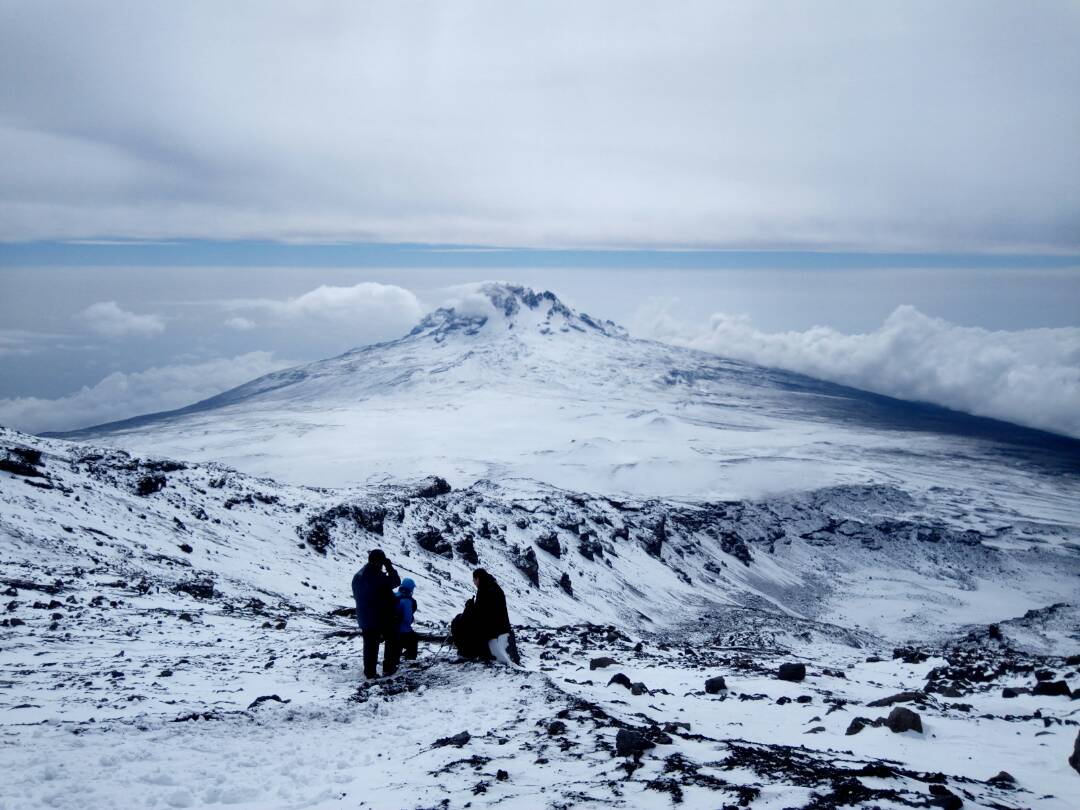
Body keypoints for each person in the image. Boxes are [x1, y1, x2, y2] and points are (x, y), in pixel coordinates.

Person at [351, 548, 401, 678]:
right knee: (392, 637)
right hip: (379, 616)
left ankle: (370, 672)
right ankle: (389, 668)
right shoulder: (377, 576)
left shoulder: (358, 575)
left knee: (370, 645)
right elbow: (396, 581)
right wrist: (389, 567)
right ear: (379, 561)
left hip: (364, 616)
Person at [471, 568, 515, 666]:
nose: (474, 583)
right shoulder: (494, 586)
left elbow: (480, 612)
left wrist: (470, 608)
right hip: (503, 626)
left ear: (478, 578)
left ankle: (479, 655)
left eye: (474, 580)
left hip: (493, 628)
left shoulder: (484, 589)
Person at [396, 578, 419, 661]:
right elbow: (407, 619)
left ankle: (396, 657)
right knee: (413, 638)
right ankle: (410, 659)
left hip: (391, 628)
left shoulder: (395, 596)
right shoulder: (407, 601)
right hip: (402, 630)